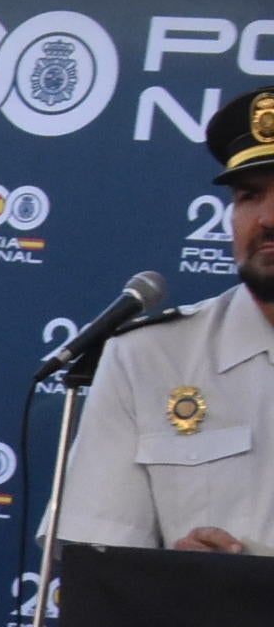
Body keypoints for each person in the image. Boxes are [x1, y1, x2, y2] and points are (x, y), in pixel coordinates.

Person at [59, 87, 274, 553]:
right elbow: (99, 560)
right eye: (249, 195)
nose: (267, 218)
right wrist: (173, 574)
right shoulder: (147, 358)